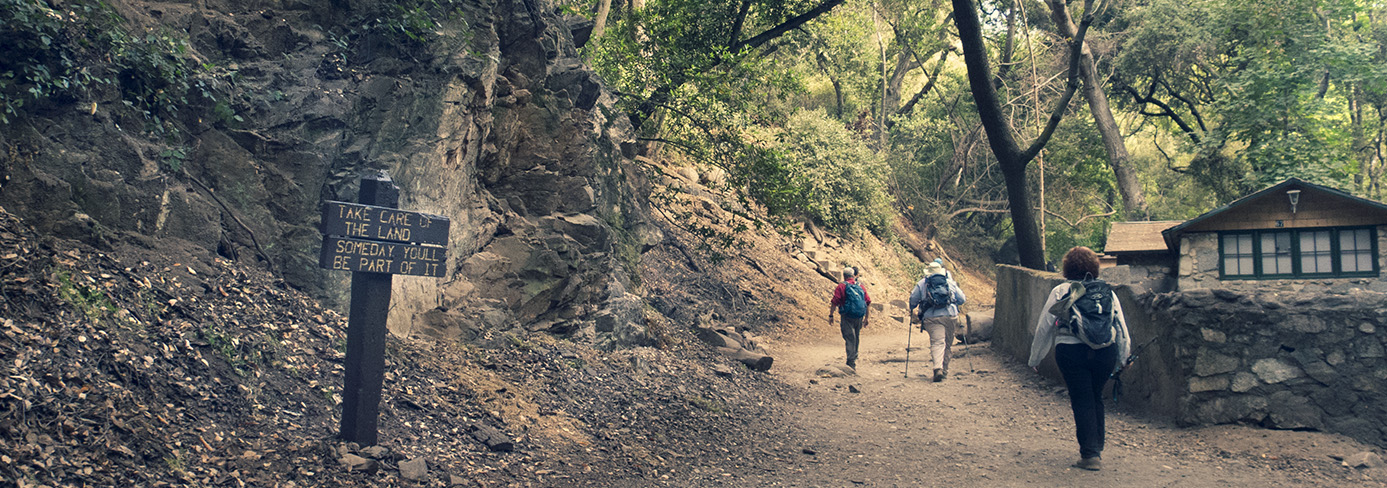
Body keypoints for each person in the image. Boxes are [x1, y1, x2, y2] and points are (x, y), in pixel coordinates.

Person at [1028, 246, 1130, 471]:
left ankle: (1090, 454)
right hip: (1105, 352)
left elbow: (1045, 325)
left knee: (1082, 398)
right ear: (1095, 267)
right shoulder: (1108, 292)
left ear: (1067, 267)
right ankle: (1096, 448)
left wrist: (1035, 358)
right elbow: (1120, 326)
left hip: (1071, 351)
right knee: (1095, 397)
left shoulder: (1062, 290)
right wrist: (1124, 357)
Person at [908, 259, 966, 382]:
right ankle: (944, 371)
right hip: (950, 316)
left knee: (937, 342)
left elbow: (913, 299)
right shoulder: (950, 282)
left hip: (931, 317)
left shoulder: (922, 283)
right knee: (948, 344)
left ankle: (937, 368)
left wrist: (912, 307)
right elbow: (962, 299)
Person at [828, 266, 871, 370]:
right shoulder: (860, 286)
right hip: (859, 316)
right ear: (853, 275)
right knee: (856, 336)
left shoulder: (842, 286)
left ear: (844, 275)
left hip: (847, 316)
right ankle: (854, 357)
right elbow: (868, 301)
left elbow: (835, 301)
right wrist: (867, 318)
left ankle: (851, 362)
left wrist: (831, 315)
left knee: (849, 338)